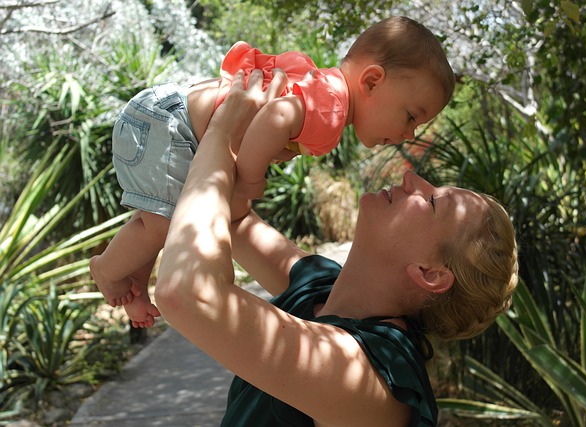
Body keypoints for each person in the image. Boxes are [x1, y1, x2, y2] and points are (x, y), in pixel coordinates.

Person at [153, 69, 519, 426]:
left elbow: (187, 293)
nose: (412, 178)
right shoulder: (323, 288)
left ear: (430, 273)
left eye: (433, 202)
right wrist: (257, 139)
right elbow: (231, 217)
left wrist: (221, 134)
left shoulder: (366, 373)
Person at [90, 16, 456, 328]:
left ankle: (131, 284)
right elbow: (274, 117)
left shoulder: (321, 85)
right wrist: (249, 178)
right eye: (411, 116)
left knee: (160, 217)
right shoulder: (330, 111)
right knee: (164, 224)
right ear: (372, 81)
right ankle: (106, 269)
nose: (409, 134)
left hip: (167, 119)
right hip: (171, 126)